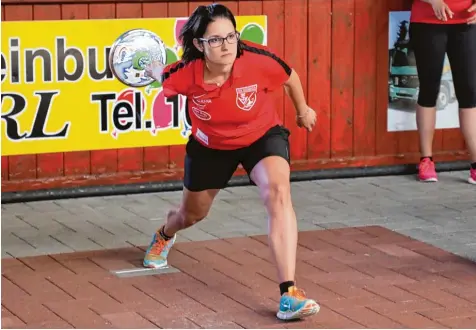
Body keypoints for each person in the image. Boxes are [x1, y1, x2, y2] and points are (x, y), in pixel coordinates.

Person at [142, 3, 320, 321]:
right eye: (215, 40)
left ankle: (289, 293)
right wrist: (153, 69)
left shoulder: (257, 59)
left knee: (278, 193)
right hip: (211, 147)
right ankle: (166, 233)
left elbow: (290, 77)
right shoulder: (186, 74)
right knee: (191, 214)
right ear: (199, 44)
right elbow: (162, 75)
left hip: (261, 136)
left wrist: (303, 110)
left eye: (230, 37)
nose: (225, 45)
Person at [410, 0, 476, 184]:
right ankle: (426, 160)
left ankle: (475, 165)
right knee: (429, 90)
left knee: (470, 93)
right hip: (427, 22)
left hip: (467, 23)